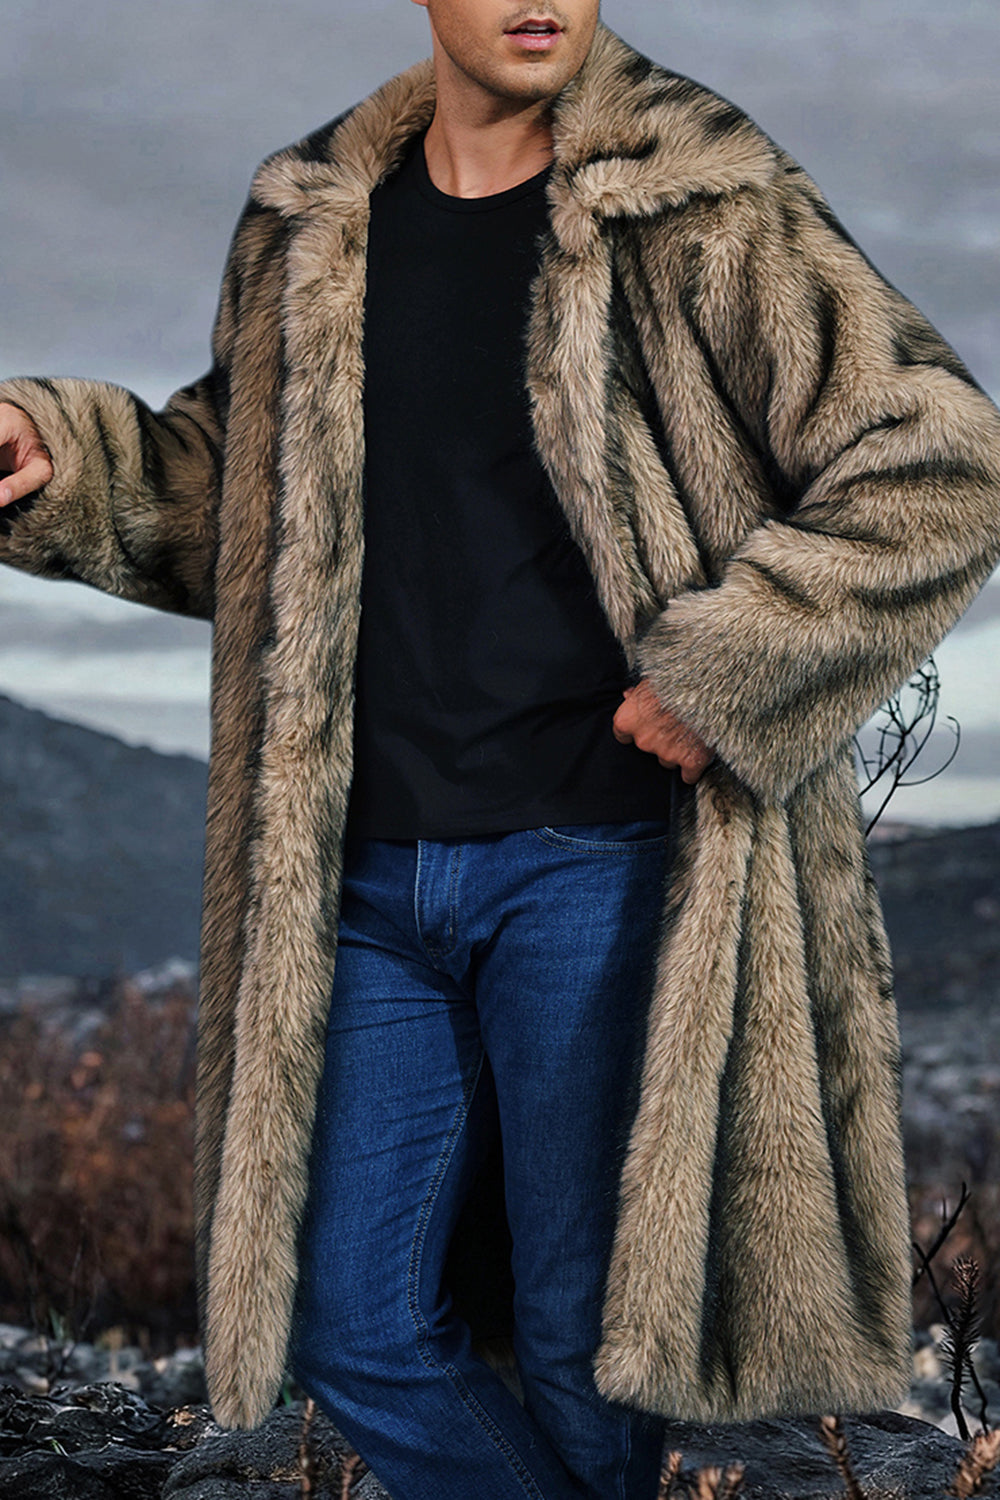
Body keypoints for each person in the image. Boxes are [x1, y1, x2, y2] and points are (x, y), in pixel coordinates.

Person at [2, 2, 999, 1496]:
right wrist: (63, 456)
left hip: (596, 856)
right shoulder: (310, 219)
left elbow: (945, 458)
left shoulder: (697, 196)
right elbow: (243, 496)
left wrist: (733, 666)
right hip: (357, 879)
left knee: (584, 1336)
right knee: (343, 1320)